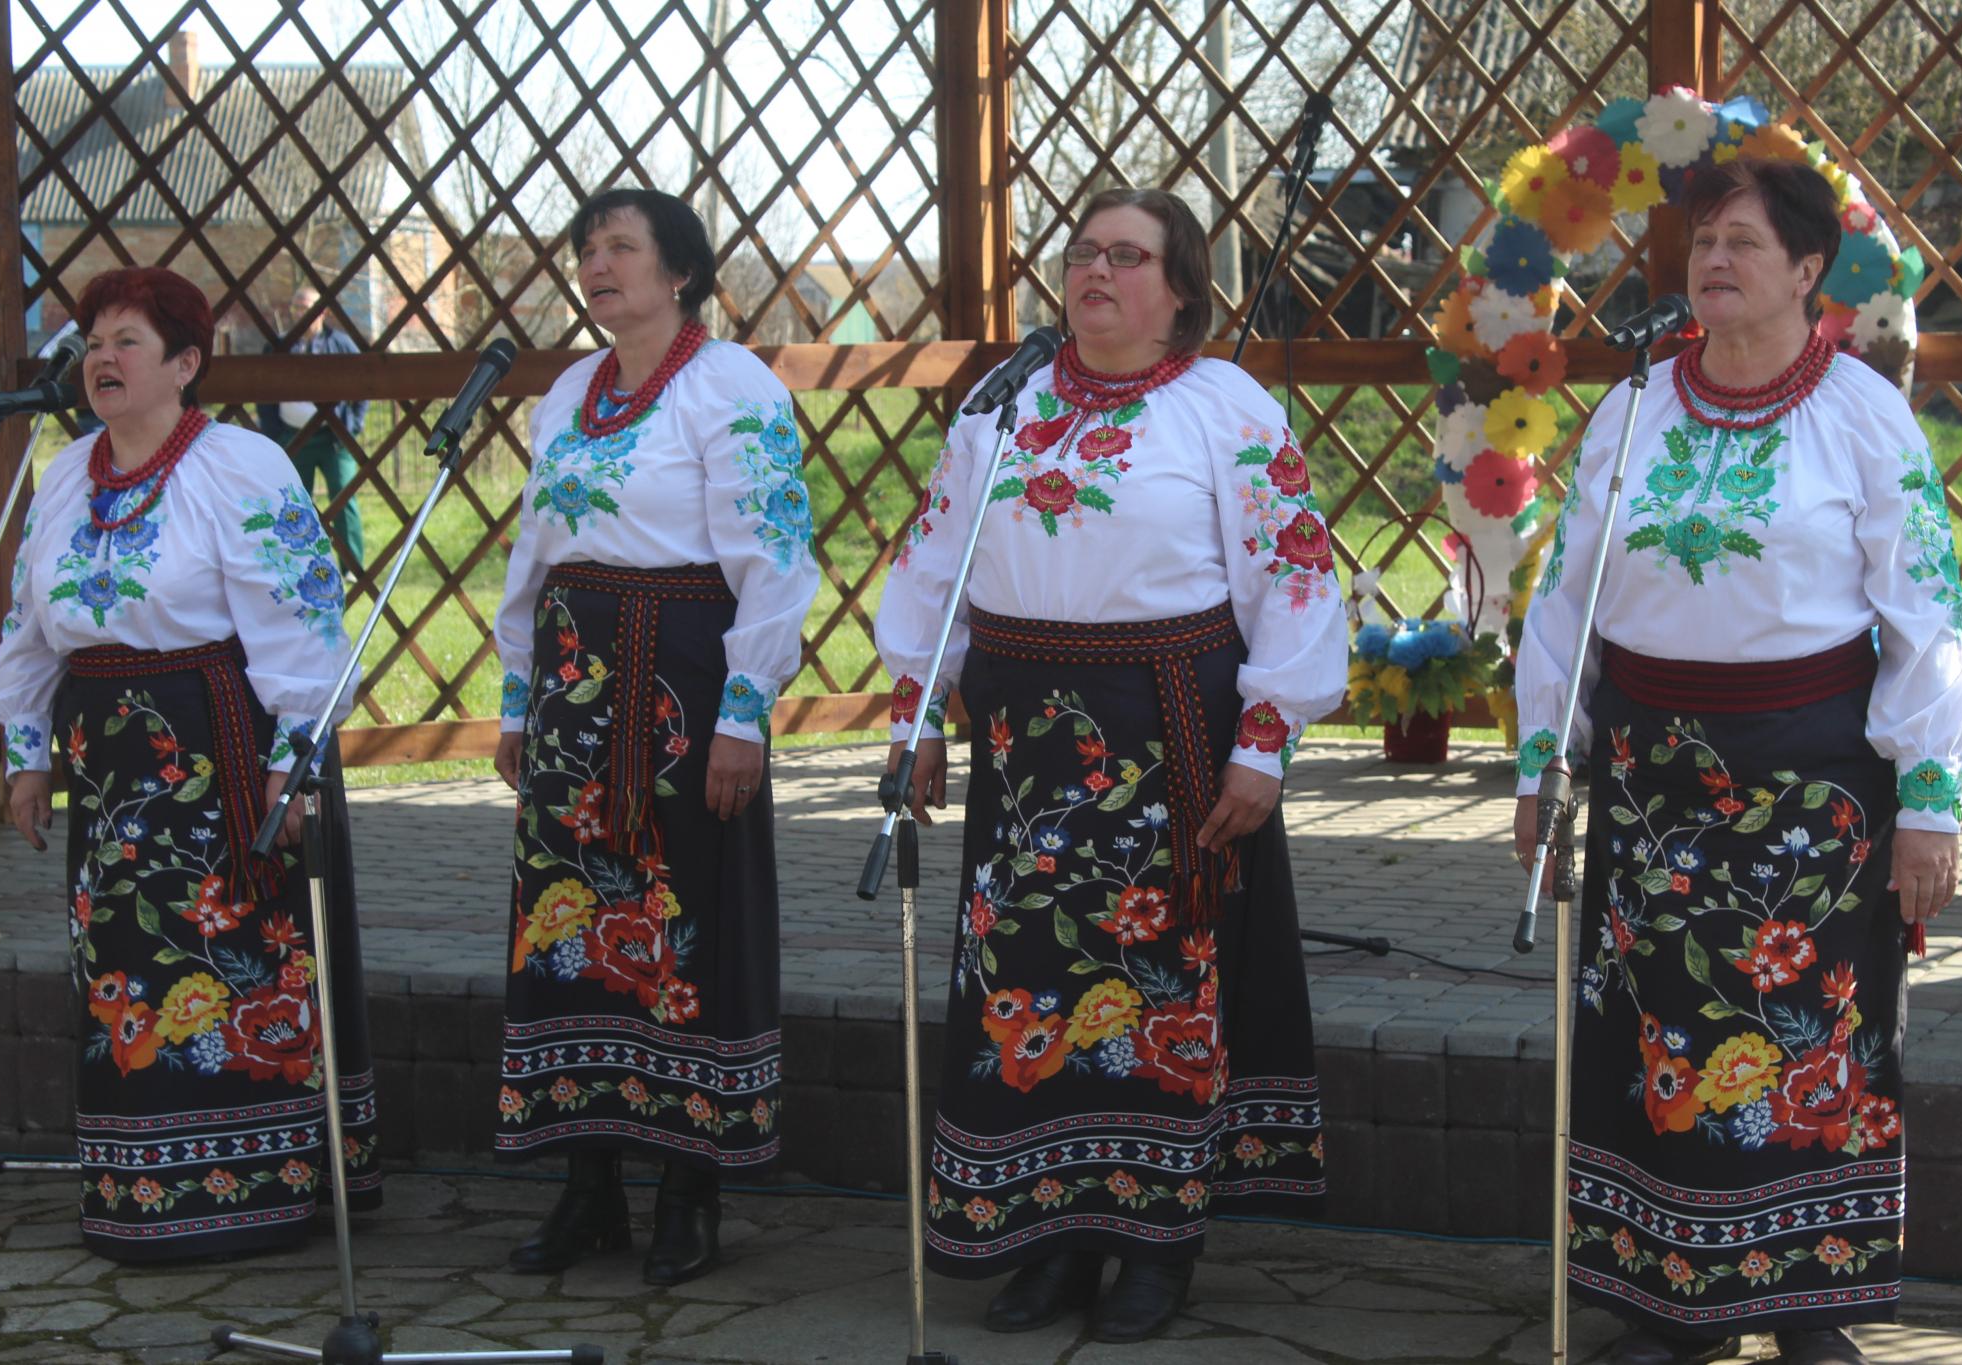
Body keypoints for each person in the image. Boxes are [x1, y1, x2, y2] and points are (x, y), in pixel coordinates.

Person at [1512, 158, 1962, 1365]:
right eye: (1699, 241)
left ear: (1808, 271)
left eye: (1742, 244)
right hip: (1648, 773)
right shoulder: (1631, 407)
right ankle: (1670, 1303)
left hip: (1808, 777)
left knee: (1805, 1027)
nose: (1710, 261)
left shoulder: (1861, 414)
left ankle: (1803, 1302)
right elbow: (1567, 600)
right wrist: (1540, 768)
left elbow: (1924, 614)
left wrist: (1928, 800)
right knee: (1655, 1028)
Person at [875, 187, 1346, 1342]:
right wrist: (915, 718)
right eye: (1081, 253)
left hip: (1165, 738)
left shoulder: (1222, 406)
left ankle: (1151, 1241)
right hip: (1026, 745)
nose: (1094, 272)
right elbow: (931, 565)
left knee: (1155, 989)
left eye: (1124, 256)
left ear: (1178, 287)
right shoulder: (1004, 404)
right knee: (1024, 982)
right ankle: (1048, 1238)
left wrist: (1263, 743)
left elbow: (1291, 580)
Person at [0, 266, 382, 1262]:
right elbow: (30, 631)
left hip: (221, 749)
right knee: (122, 966)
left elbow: (298, 624)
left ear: (186, 364)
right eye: (93, 343)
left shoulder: (239, 467)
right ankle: (144, 1194)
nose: (102, 360)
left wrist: (293, 765)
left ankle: (263, 1188)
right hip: (111, 761)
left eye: (128, 341)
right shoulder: (66, 476)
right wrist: (27, 754)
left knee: (235, 960)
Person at [491, 187, 817, 1286]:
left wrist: (744, 711)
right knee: (570, 929)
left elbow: (773, 560)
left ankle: (691, 1189)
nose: (597, 265)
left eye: (620, 248)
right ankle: (589, 1189)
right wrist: (514, 697)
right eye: (586, 249)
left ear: (679, 271)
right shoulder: (569, 391)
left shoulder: (731, 387)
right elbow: (532, 556)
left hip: (683, 683)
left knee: (687, 924)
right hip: (578, 688)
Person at [258, 285, 367, 570]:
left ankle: (352, 566)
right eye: (296, 308)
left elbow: (364, 381)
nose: (300, 314)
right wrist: (274, 434)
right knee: (293, 502)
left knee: (343, 498)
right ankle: (296, 560)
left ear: (323, 312)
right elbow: (262, 389)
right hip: (293, 436)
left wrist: (354, 424)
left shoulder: (340, 344)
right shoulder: (278, 346)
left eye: (306, 308)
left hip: (334, 436)